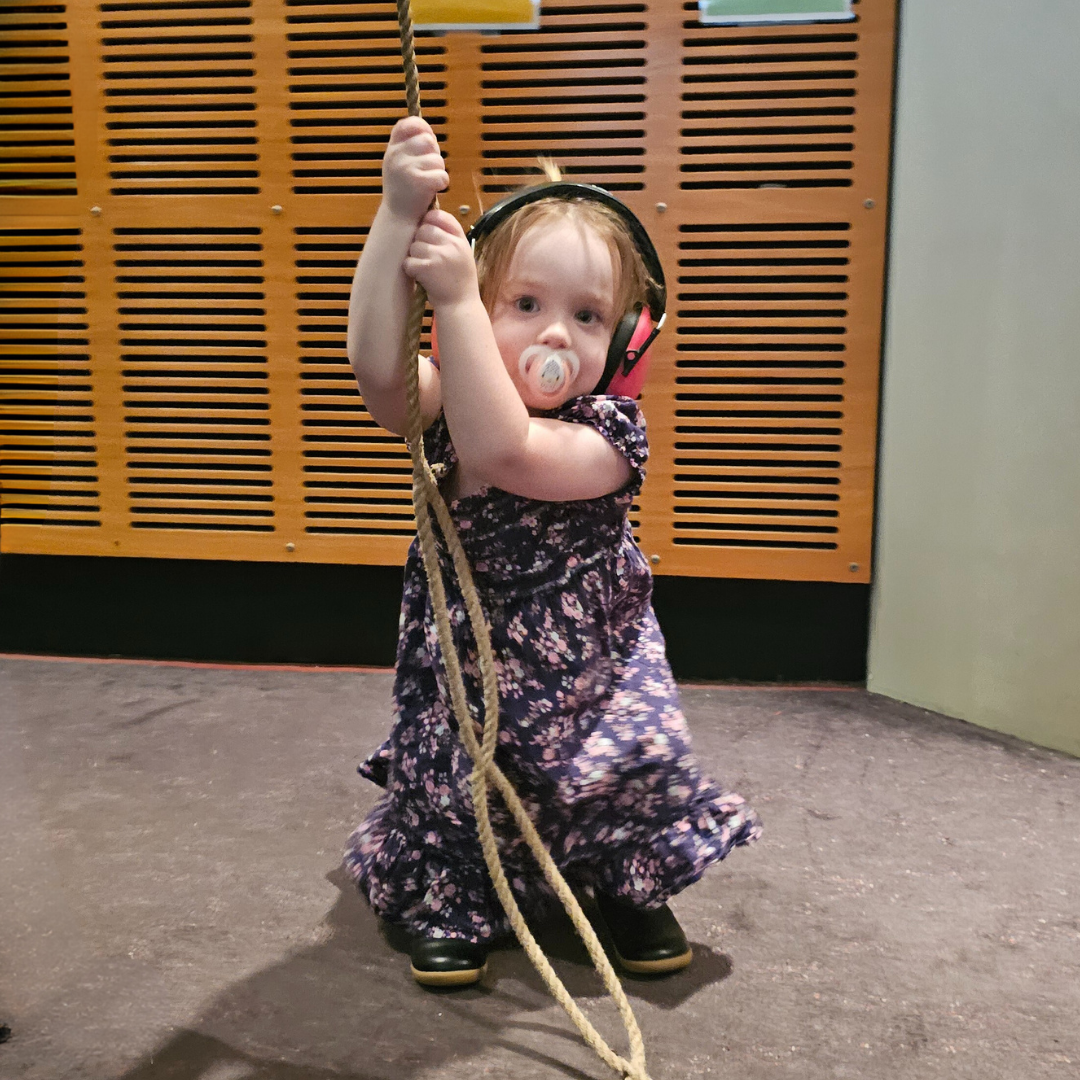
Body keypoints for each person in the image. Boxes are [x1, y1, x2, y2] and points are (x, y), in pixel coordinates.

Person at [344, 115, 762, 988]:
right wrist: (394, 221)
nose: (555, 335)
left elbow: (504, 453)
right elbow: (379, 371)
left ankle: (622, 885)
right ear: (485, 309)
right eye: (524, 305)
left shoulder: (608, 434)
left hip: (586, 665)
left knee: (614, 770)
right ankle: (457, 894)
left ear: (626, 343)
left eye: (587, 315)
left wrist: (460, 303)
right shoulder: (452, 397)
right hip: (468, 655)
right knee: (462, 776)